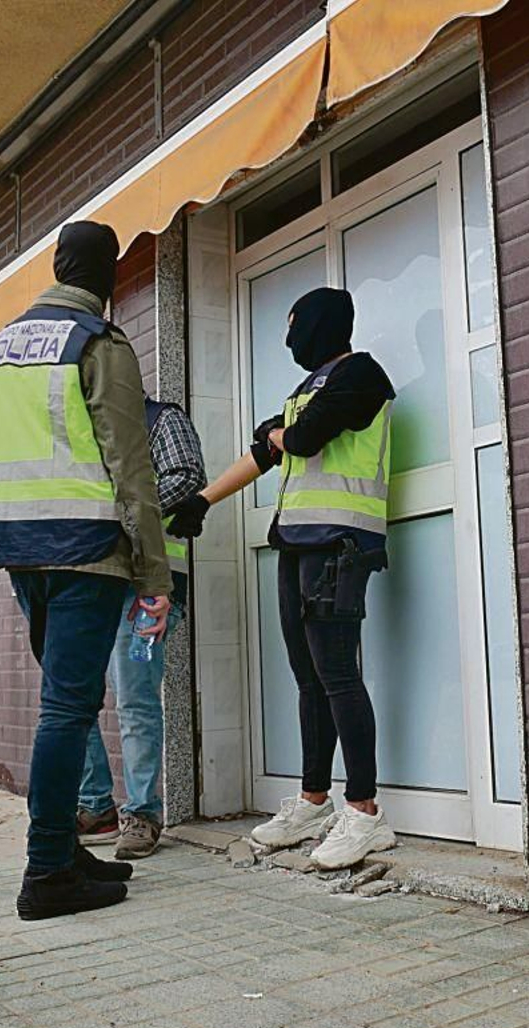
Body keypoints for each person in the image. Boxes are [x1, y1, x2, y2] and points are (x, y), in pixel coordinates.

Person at [0, 220, 172, 920]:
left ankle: (66, 850)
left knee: (66, 701)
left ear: (56, 267)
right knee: (67, 709)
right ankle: (47, 869)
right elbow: (130, 464)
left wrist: (18, 525)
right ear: (106, 281)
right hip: (89, 554)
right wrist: (155, 575)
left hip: (25, 557)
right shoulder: (98, 344)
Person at [172, 287, 396, 869]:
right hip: (297, 545)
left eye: (295, 327)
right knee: (308, 680)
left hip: (341, 545)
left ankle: (366, 812)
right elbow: (265, 453)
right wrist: (202, 499)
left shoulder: (362, 375)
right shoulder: (307, 389)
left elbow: (298, 440)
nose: (289, 341)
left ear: (320, 326)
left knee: (339, 676)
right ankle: (314, 801)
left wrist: (278, 434)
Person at [76, 395, 204, 859]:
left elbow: (187, 478)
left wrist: (120, 510)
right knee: (75, 698)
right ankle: (95, 806)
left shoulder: (159, 419)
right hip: (92, 582)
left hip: (147, 587)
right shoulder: (81, 429)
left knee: (135, 699)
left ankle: (143, 813)